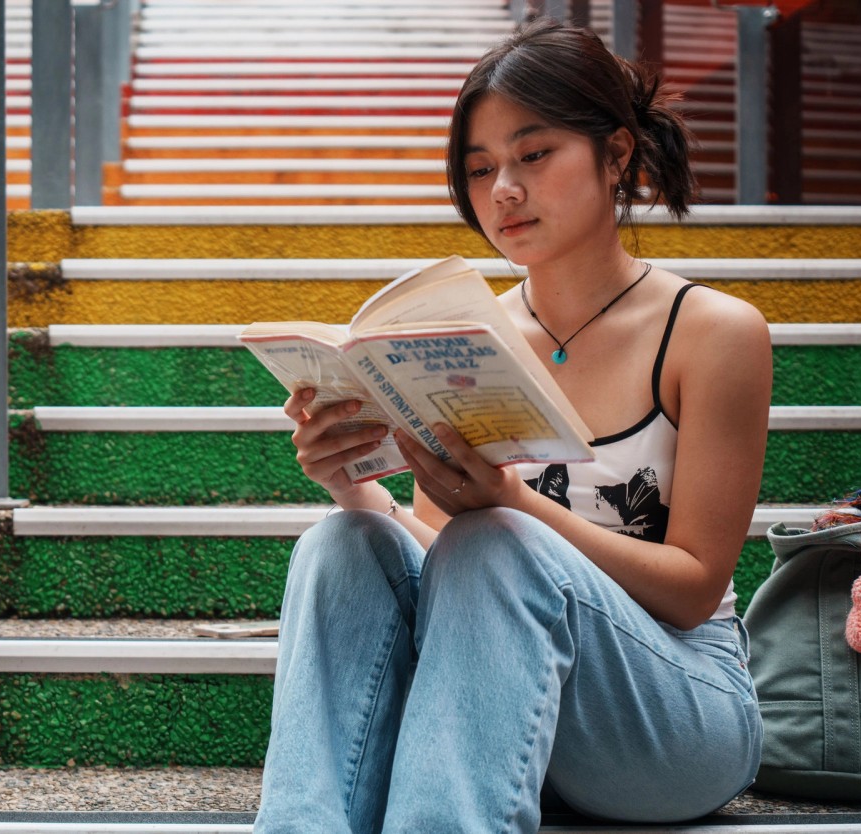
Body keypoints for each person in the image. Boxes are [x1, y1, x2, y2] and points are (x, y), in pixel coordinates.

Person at [253, 17, 772, 834]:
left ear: (618, 154)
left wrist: (512, 504)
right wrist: (351, 488)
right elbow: (447, 565)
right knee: (338, 543)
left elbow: (694, 587)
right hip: (500, 705)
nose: (504, 190)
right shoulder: (458, 340)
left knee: (499, 540)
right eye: (481, 167)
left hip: (673, 716)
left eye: (534, 155)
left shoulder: (712, 333)